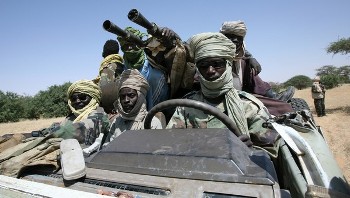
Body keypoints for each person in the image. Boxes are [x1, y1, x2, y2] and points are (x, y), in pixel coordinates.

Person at [167, 32, 280, 157]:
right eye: (203, 66)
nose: (210, 71)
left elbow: (272, 152)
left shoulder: (250, 107)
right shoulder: (186, 106)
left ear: (228, 65)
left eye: (217, 64)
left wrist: (250, 150)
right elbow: (170, 145)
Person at [219, 21, 295, 102]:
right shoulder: (213, 49)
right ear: (223, 37)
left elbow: (243, 52)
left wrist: (250, 58)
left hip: (239, 87)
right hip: (220, 91)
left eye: (239, 38)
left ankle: (272, 96)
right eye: (231, 37)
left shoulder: (240, 52)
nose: (235, 40)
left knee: (245, 63)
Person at [117, 27, 170, 111]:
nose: (130, 48)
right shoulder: (122, 70)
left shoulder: (154, 65)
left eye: (132, 44)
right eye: (126, 45)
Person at [108, 69, 164, 142]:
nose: (126, 100)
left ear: (140, 97)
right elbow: (107, 147)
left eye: (131, 95)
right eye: (122, 97)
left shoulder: (152, 123)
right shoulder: (117, 122)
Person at [94, 39, 126, 116]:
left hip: (113, 110)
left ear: (104, 53)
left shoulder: (107, 68)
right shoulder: (123, 65)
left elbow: (103, 92)